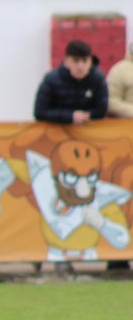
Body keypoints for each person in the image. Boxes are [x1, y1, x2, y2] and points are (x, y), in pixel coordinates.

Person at [33, 39, 109, 275]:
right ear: (66, 61)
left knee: (86, 201)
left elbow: (102, 109)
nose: (80, 66)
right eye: (75, 61)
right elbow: (39, 112)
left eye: (84, 61)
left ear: (90, 61)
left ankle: (106, 254)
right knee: (52, 200)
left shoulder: (97, 80)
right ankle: (39, 252)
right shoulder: (52, 80)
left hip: (87, 156)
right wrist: (69, 117)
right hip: (55, 153)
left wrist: (86, 118)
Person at [105, 41, 133, 271]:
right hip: (125, 147)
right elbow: (110, 101)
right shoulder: (121, 70)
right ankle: (117, 256)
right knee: (122, 196)